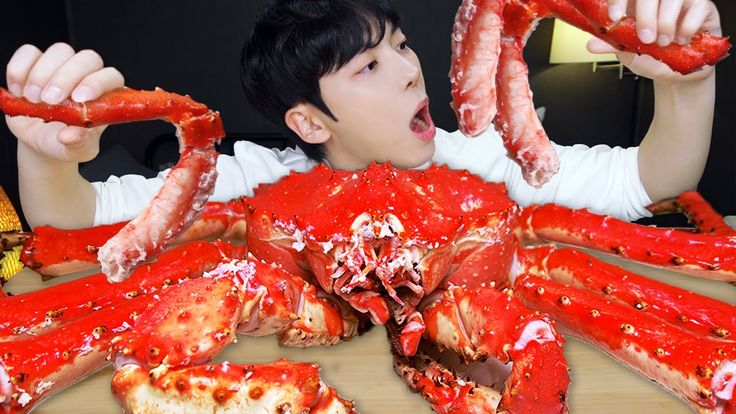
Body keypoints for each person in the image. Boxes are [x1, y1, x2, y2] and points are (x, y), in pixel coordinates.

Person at [5, 0, 723, 230]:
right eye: (369, 66)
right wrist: (46, 153)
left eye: (402, 47)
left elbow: (648, 180)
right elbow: (74, 222)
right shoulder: (251, 182)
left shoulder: (482, 160)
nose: (412, 68)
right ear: (311, 123)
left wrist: (683, 85)